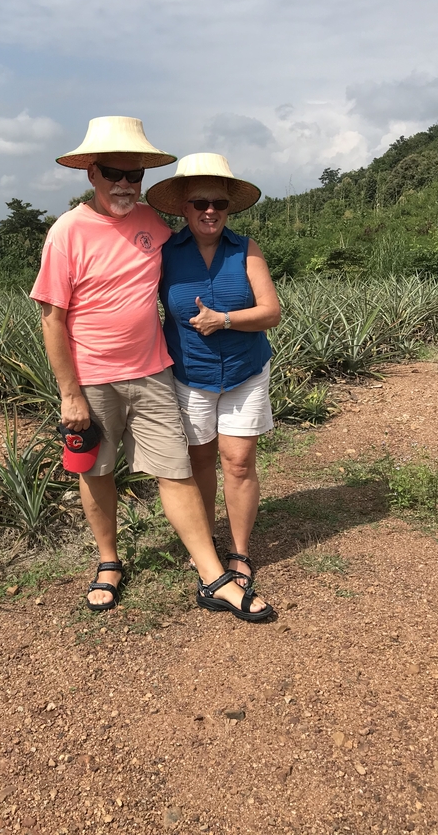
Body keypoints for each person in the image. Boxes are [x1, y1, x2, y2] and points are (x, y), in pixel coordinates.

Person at [30, 117, 270, 621]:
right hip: (92, 376)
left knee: (175, 469)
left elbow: (195, 248)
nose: (124, 183)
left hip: (155, 370)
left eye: (133, 174)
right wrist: (68, 393)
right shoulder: (67, 231)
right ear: (92, 173)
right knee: (96, 471)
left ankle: (212, 577)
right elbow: (52, 316)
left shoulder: (153, 226)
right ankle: (108, 561)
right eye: (114, 171)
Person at [147, 153, 280, 612]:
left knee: (239, 461)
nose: (209, 211)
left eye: (218, 204)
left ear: (229, 208)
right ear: (184, 207)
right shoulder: (165, 253)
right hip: (190, 373)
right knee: (199, 461)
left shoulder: (247, 249)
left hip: (245, 369)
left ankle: (239, 553)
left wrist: (223, 319)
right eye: (200, 202)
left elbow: (271, 312)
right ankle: (206, 552)